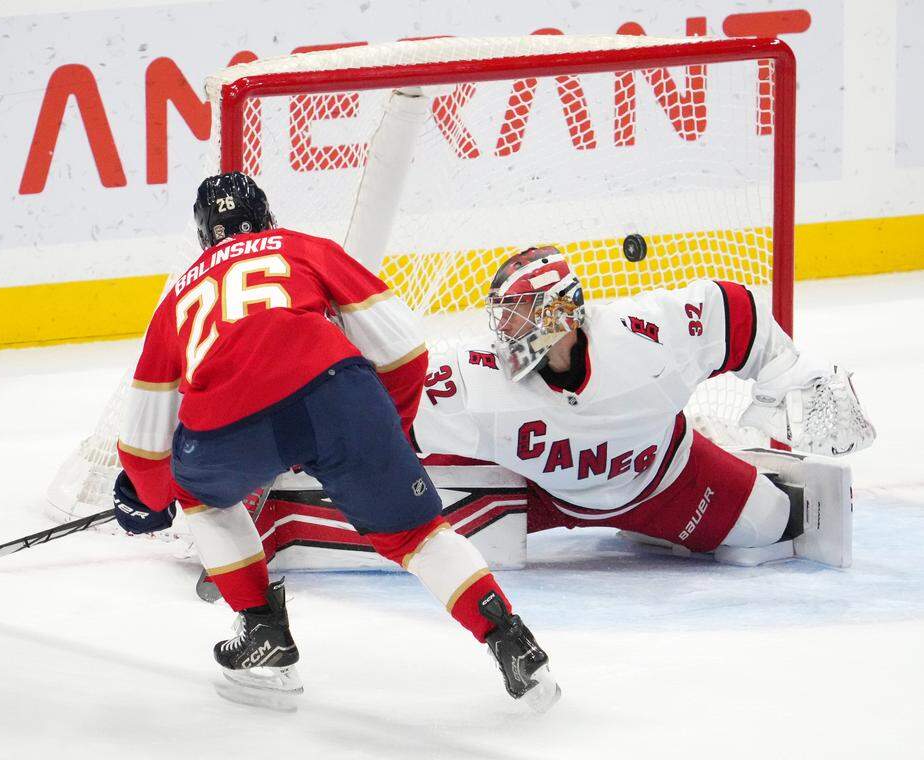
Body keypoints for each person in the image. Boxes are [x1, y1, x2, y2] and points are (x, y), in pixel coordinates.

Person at [111, 172, 559, 709]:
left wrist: (155, 497)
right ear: (266, 216)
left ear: (206, 236)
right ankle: (514, 645)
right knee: (418, 536)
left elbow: (141, 445)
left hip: (227, 427)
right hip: (338, 395)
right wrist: (379, 427)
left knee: (200, 497)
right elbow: (408, 350)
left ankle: (263, 636)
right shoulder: (304, 248)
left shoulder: (178, 296)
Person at [413, 246, 875, 566]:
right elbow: (397, 405)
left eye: (520, 312)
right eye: (504, 313)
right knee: (424, 531)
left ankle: (671, 513)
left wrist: (794, 376)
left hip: (665, 480)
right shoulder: (476, 374)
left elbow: (736, 311)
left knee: (770, 522)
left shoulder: (642, 339)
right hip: (542, 496)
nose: (506, 328)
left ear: (559, 313)